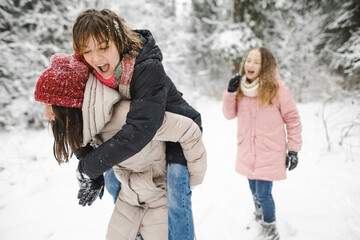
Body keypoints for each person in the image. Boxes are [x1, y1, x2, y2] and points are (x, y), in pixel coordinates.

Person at [34, 53, 207, 240]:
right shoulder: (89, 126)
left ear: (68, 105)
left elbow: (189, 130)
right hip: (127, 206)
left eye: (50, 106)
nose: (46, 114)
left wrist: (189, 181)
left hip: (161, 205)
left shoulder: (125, 117)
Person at [71, 9, 202, 240]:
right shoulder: (94, 72)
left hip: (177, 136)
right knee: (118, 186)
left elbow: (140, 129)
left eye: (103, 47)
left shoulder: (145, 67)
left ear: (119, 41)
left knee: (175, 199)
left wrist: (88, 167)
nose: (96, 58)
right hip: (146, 133)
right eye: (87, 51)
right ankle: (140, 230)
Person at [222, 47, 302, 240]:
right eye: (248, 60)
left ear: (265, 66)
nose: (250, 65)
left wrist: (293, 150)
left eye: (256, 62)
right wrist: (230, 92)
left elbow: (292, 119)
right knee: (252, 189)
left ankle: (269, 228)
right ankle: (259, 215)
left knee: (264, 193)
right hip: (247, 150)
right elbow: (229, 114)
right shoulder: (241, 87)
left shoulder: (277, 88)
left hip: (269, 151)